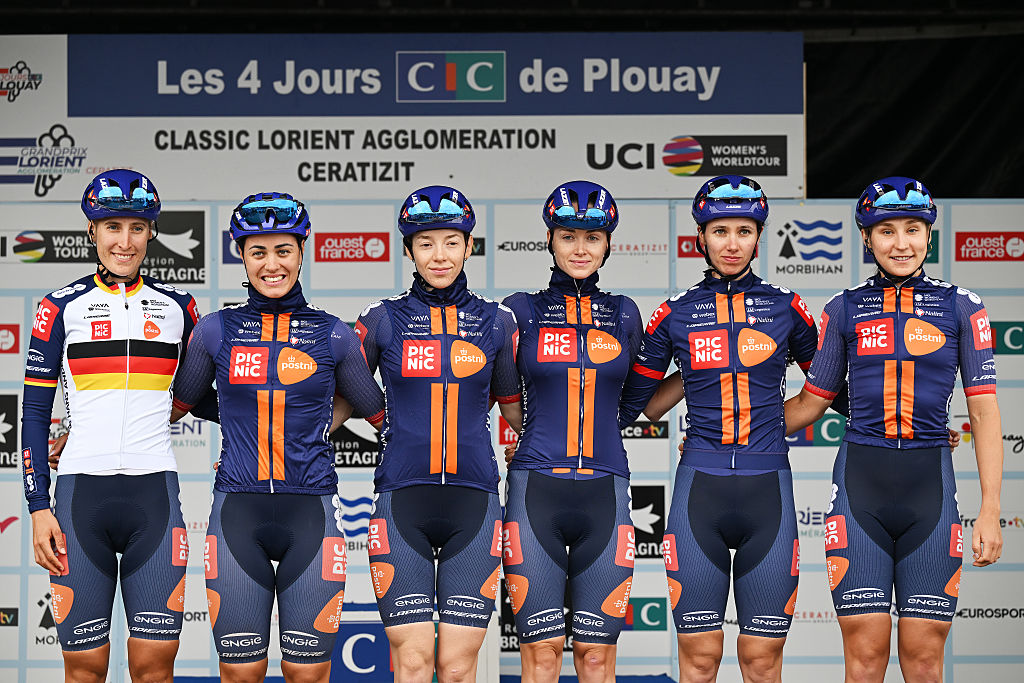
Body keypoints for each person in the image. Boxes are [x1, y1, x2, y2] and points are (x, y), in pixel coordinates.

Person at [784, 177, 1003, 682]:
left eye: (913, 229)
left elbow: (984, 413)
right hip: (861, 486)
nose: (901, 243)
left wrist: (991, 509)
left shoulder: (962, 306)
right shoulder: (843, 308)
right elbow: (811, 403)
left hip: (931, 487)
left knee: (924, 660)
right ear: (866, 238)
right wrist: (723, 434)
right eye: (886, 231)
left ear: (929, 235)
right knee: (865, 658)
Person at [617, 175, 834, 682]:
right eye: (720, 231)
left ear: (759, 237)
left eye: (744, 231)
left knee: (761, 661)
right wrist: (695, 374)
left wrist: (919, 430)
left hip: (768, 489)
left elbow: (828, 392)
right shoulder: (675, 312)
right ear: (701, 236)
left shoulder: (787, 307)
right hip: (700, 490)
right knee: (699, 660)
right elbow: (641, 406)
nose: (732, 244)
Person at [170, 192, 386, 683]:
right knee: (241, 673)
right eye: (258, 252)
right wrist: (78, 434)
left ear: (302, 251)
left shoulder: (333, 334)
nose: (272, 265)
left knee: (306, 674)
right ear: (241, 256)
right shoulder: (214, 330)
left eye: (283, 251)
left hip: (311, 512)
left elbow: (382, 415)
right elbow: (176, 406)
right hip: (236, 513)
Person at [21, 169, 205, 683]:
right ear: (92, 231)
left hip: (155, 495)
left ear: (151, 232)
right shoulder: (60, 306)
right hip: (80, 497)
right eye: (113, 227)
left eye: (137, 228)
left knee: (153, 668)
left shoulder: (180, 307)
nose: (125, 242)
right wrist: (37, 508)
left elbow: (204, 396)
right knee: (84, 669)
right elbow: (33, 414)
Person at [354, 185, 521, 682]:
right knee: (412, 661)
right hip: (401, 500)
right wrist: (277, 442)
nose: (440, 255)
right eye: (426, 243)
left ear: (469, 246)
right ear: (408, 250)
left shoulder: (496, 321)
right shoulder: (381, 319)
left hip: (475, 502)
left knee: (456, 666)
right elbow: (338, 398)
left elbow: (515, 408)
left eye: (451, 242)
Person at [501, 181, 642, 683]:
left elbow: (636, 398)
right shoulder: (519, 310)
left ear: (608, 244)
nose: (580, 249)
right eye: (568, 236)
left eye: (592, 238)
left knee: (596, 656)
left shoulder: (624, 313)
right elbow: (500, 393)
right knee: (541, 654)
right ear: (549, 239)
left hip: (606, 487)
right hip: (535, 489)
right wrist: (539, 434)